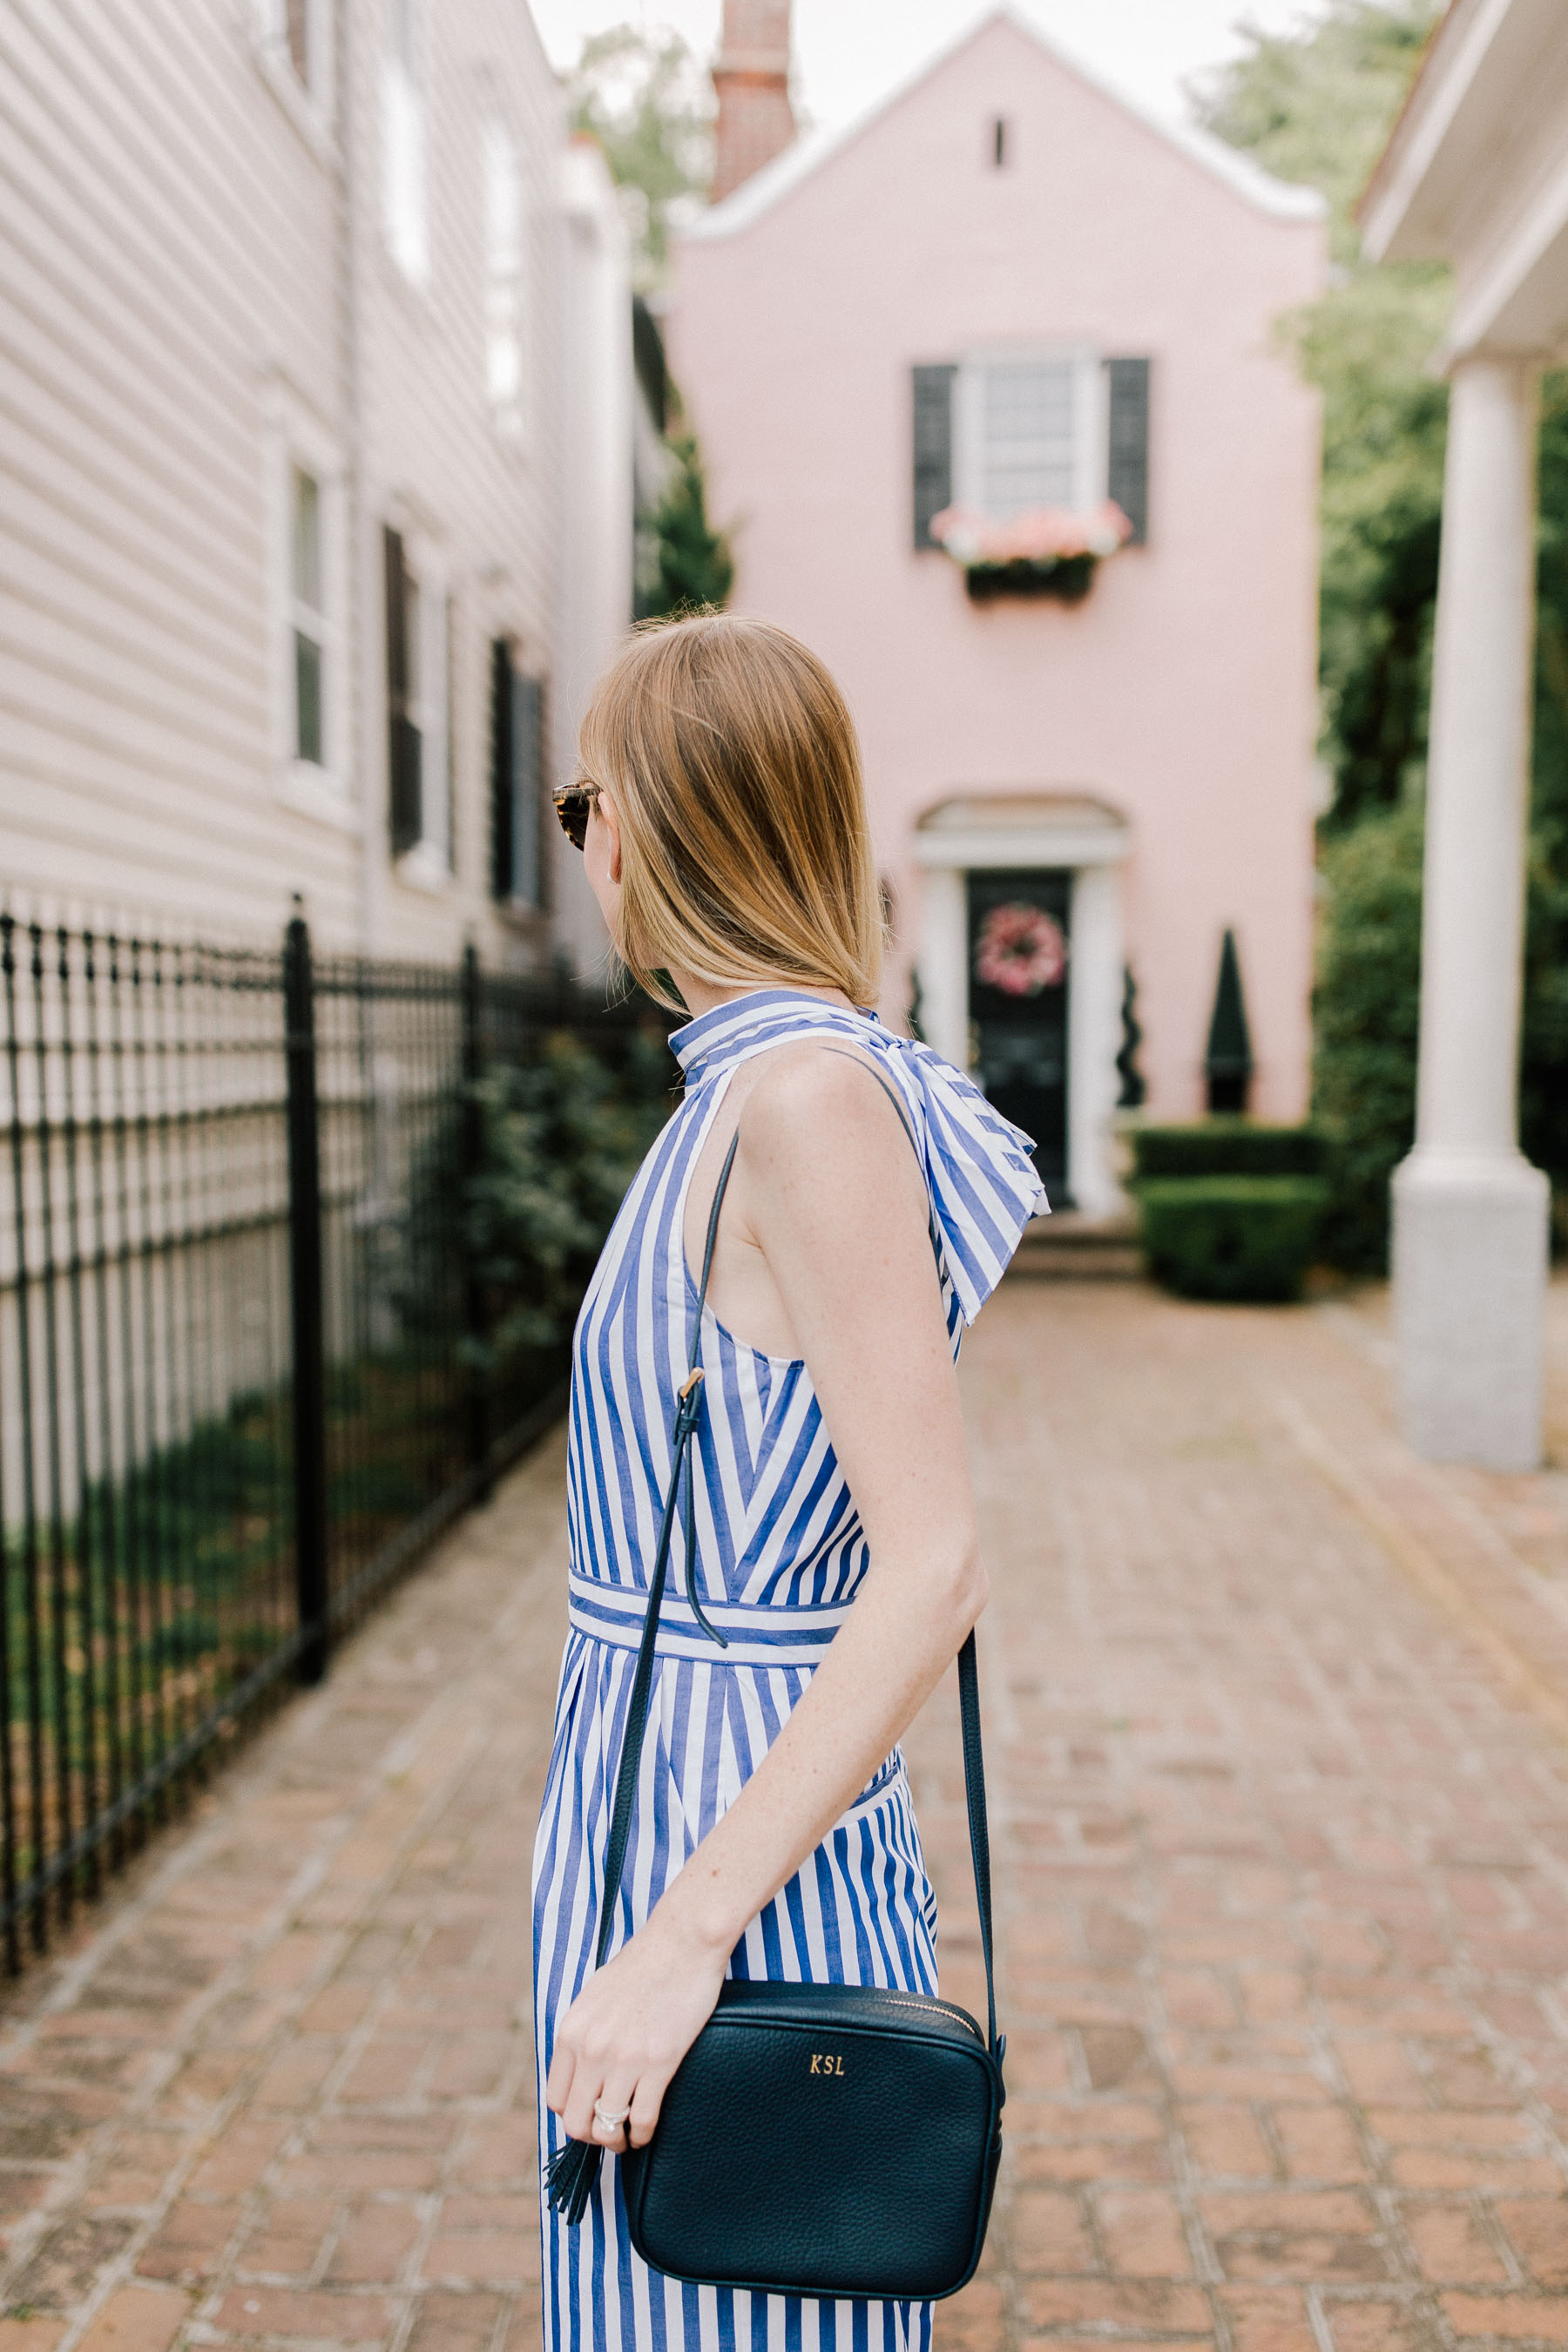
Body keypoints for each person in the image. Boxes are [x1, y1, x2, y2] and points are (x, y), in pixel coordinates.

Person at [533, 614, 1046, 2350]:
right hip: (652, 1800)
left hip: (735, 1834)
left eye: (580, 800)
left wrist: (685, 1935)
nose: (582, 843)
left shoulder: (808, 1101)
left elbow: (932, 1565)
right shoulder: (735, 1093)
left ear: (661, 819)